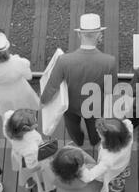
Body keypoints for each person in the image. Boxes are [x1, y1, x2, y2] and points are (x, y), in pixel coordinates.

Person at [40, 13, 118, 146]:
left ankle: (78, 141)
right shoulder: (109, 62)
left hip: (70, 106)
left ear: (79, 35)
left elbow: (52, 87)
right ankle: (95, 141)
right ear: (99, 35)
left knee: (73, 128)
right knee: (96, 129)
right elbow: (110, 91)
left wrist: (42, 102)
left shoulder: (64, 60)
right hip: (95, 108)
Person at [3, 109, 57, 192]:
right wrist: (43, 165)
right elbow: (32, 167)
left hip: (19, 155)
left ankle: (30, 183)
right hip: (35, 158)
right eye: (33, 120)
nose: (34, 118)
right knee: (38, 174)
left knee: (24, 172)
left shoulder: (9, 122)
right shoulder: (31, 147)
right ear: (25, 128)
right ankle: (45, 186)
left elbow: (8, 113)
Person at [80, 118, 133, 192]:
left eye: (99, 132)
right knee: (123, 168)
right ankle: (125, 172)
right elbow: (127, 122)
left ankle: (118, 187)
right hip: (124, 160)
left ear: (109, 139)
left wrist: (81, 169)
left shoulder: (108, 159)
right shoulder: (128, 130)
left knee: (115, 178)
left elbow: (89, 176)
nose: (96, 131)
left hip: (113, 169)